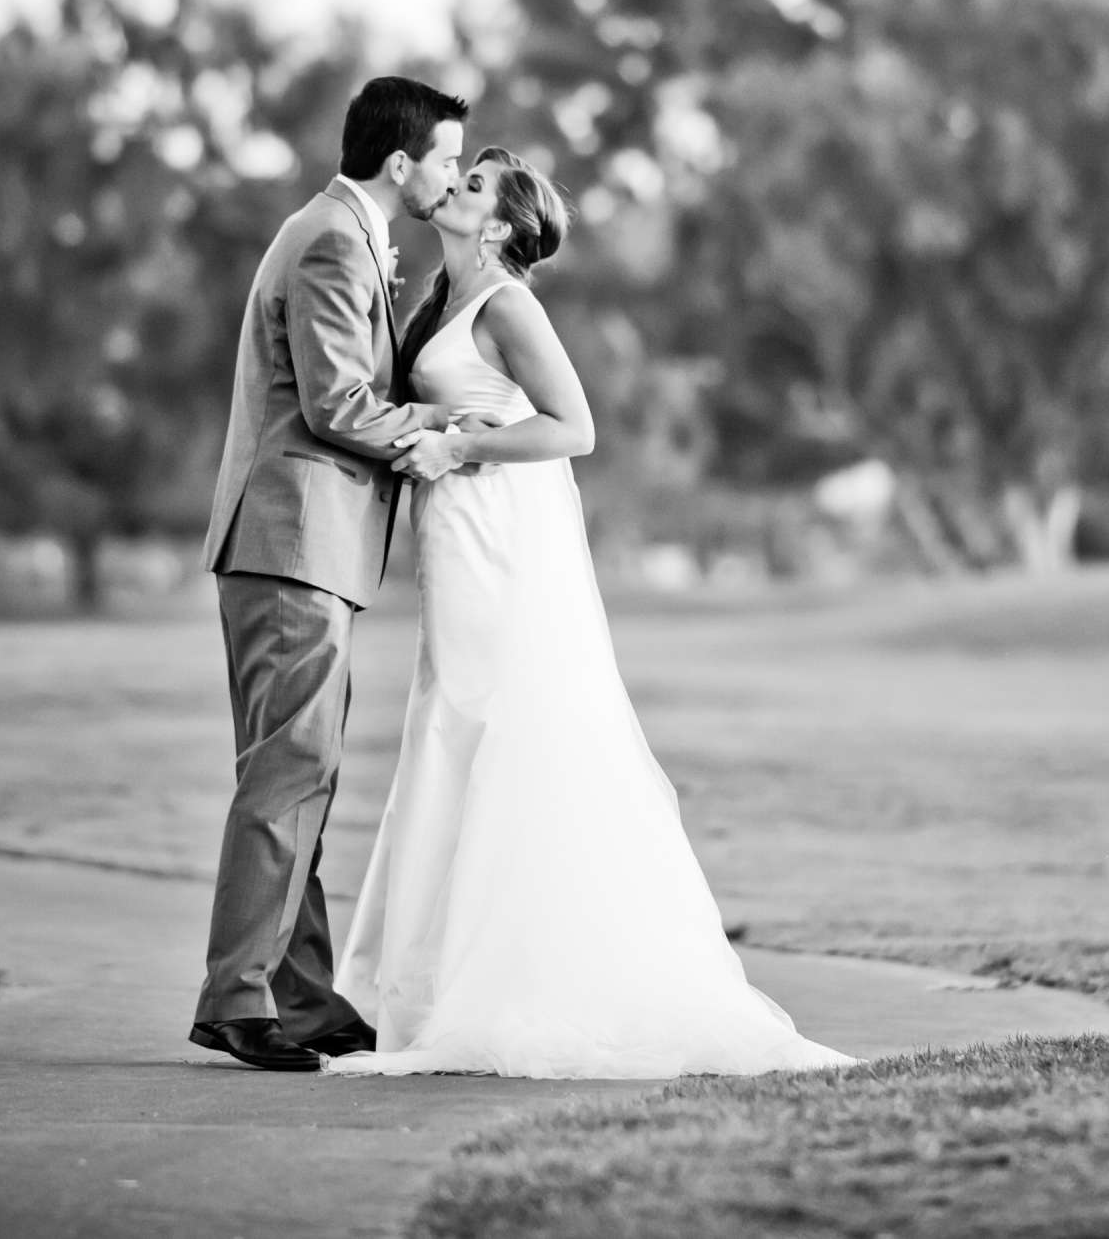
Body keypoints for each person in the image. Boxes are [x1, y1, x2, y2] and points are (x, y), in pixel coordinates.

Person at [329, 147, 852, 1078]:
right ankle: (427, 988)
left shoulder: (507, 305)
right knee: (449, 726)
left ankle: (511, 986)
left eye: (475, 184)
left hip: (494, 535)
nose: (454, 186)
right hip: (450, 544)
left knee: (498, 725)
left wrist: (457, 450)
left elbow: (576, 428)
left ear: (498, 225)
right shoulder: (434, 305)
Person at [187, 75, 482, 1071]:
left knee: (302, 770)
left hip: (302, 546)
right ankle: (237, 998)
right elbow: (337, 407)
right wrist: (448, 426)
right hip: (293, 544)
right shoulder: (330, 240)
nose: (453, 174)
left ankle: (301, 996)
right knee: (289, 770)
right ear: (401, 165)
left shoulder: (339, 231)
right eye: (447, 157)